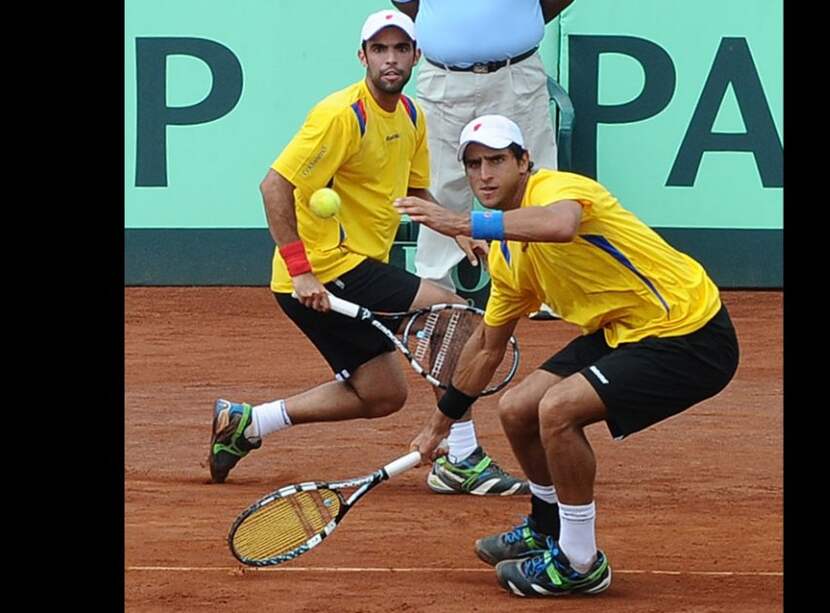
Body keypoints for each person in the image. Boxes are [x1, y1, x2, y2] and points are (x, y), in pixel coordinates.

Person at [395, 114, 740, 597]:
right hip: (623, 329)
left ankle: (580, 561)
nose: (484, 175)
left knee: (557, 411)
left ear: (524, 162)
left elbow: (560, 225)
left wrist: (460, 221)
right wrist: (439, 425)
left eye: (497, 160)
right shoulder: (508, 256)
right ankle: (547, 525)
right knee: (517, 409)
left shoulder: (559, 189)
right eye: (473, 165)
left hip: (689, 331)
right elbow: (487, 346)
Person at [207, 11, 527, 497]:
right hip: (325, 269)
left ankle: (248, 423)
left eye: (401, 49)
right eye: (380, 49)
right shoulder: (340, 116)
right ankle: (461, 458)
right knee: (453, 317)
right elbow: (274, 186)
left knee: (382, 395)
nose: (391, 59)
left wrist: (459, 230)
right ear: (363, 57)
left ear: (417, 57)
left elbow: (417, 189)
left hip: (356, 267)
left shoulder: (414, 115)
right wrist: (302, 271)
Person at [390, 0, 571, 320]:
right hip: (444, 75)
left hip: (516, 71)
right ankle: (435, 291)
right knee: (438, 181)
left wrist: (517, 26)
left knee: (534, 177)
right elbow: (407, 3)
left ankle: (550, 287)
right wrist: (450, 33)